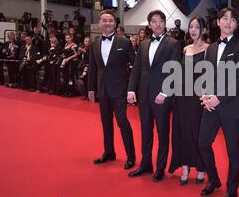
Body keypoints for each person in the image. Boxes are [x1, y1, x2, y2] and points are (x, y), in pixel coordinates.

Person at [197, 7, 239, 197]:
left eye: (233, 19)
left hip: (230, 106)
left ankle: (232, 190)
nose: (228, 22)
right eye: (224, 18)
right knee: (202, 142)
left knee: (232, 150)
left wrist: (219, 97)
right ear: (218, 22)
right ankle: (214, 179)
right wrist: (205, 94)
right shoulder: (210, 48)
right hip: (210, 105)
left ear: (236, 25)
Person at [127, 10, 181, 182]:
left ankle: (160, 167)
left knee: (163, 132)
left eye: (160, 21)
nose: (157, 24)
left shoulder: (173, 44)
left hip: (162, 97)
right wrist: (131, 90)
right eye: (154, 21)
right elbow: (136, 69)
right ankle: (145, 164)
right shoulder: (143, 44)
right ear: (149, 24)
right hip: (144, 95)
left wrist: (165, 93)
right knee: (145, 132)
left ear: (165, 23)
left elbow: (175, 70)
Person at [88, 10, 136, 169]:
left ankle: (131, 156)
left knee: (123, 122)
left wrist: (132, 88)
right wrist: (91, 89)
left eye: (110, 21)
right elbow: (93, 67)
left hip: (120, 89)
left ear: (115, 24)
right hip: (102, 89)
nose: (107, 23)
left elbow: (135, 65)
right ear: (99, 23)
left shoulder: (124, 42)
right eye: (104, 20)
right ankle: (109, 152)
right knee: (106, 123)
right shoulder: (95, 43)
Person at [169, 17, 208, 185]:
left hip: (198, 98)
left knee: (197, 134)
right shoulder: (185, 49)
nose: (193, 30)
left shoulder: (209, 49)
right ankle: (185, 167)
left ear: (203, 29)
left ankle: (200, 168)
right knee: (182, 133)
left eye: (197, 27)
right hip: (182, 97)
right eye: (191, 27)